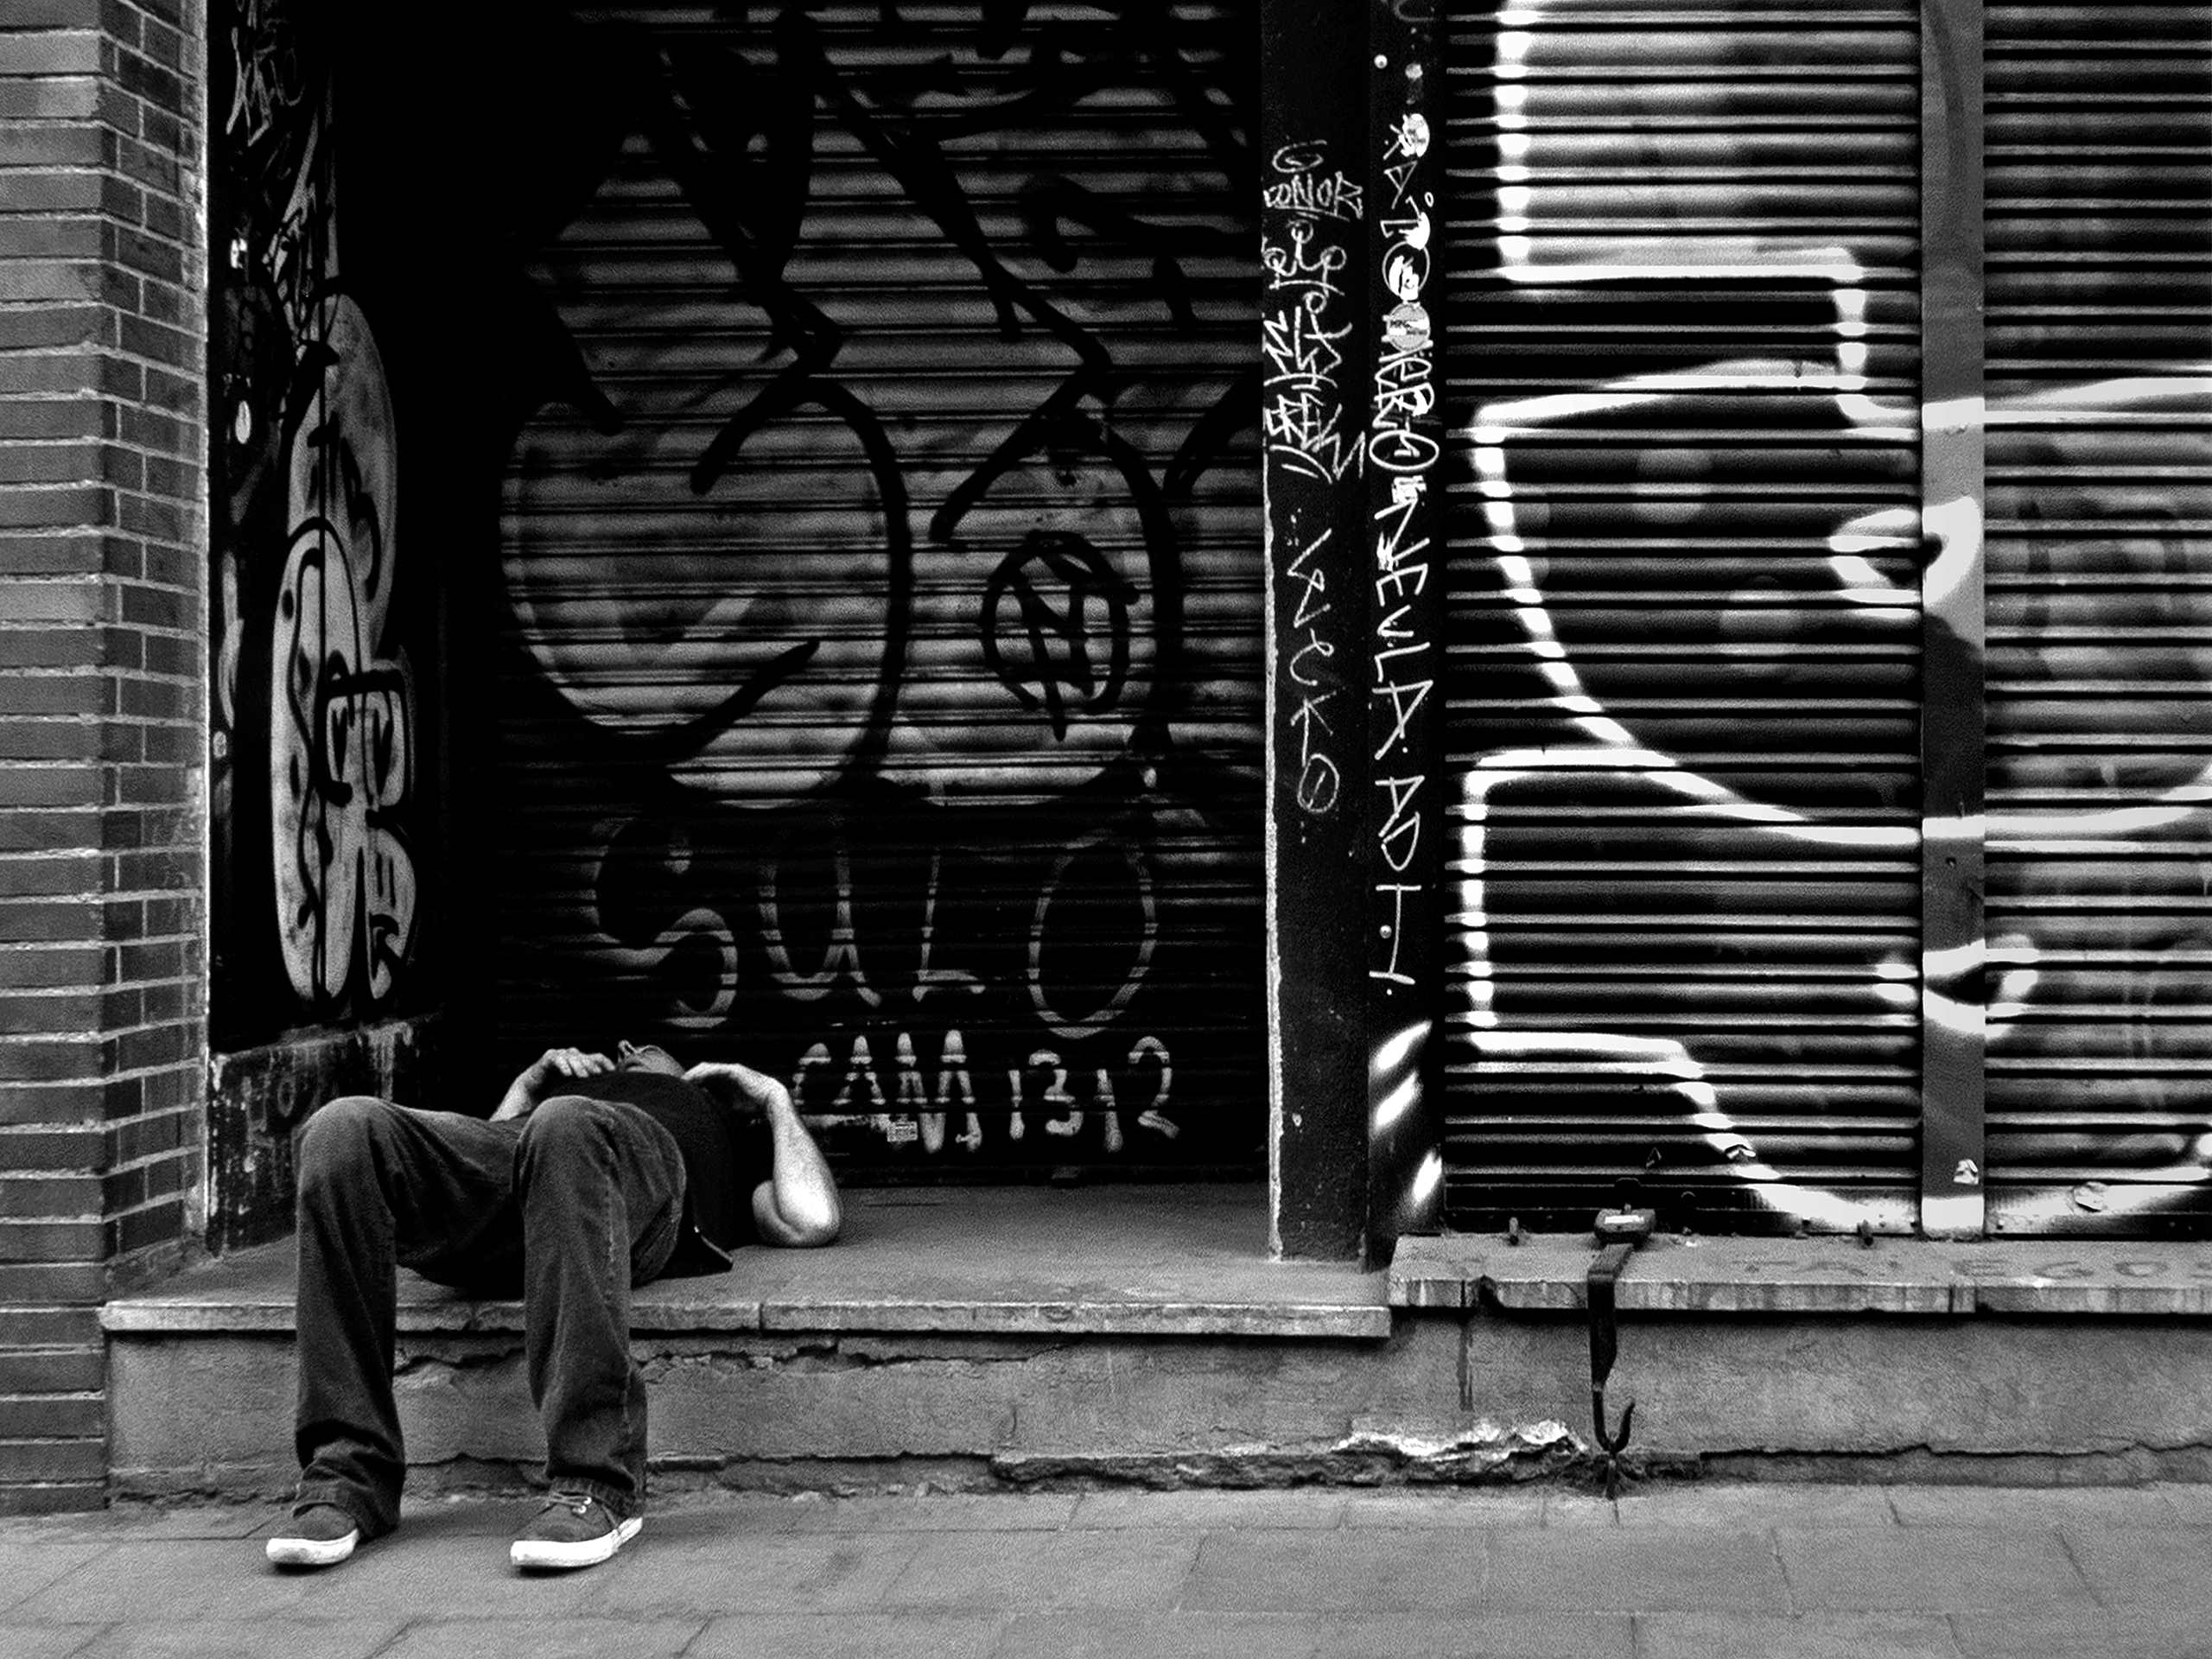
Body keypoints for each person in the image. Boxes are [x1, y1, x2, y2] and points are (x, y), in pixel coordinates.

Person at [264, 1039, 839, 1573]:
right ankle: (346, 1478)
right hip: (526, 1169)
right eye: (623, 1051)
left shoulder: (715, 1117)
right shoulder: (548, 1108)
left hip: (624, 1184)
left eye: (649, 1050)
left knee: (567, 1126)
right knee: (340, 1128)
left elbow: (812, 1219)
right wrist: (525, 1088)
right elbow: (467, 1181)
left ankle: (598, 1483)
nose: (627, 1050)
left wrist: (773, 1098)